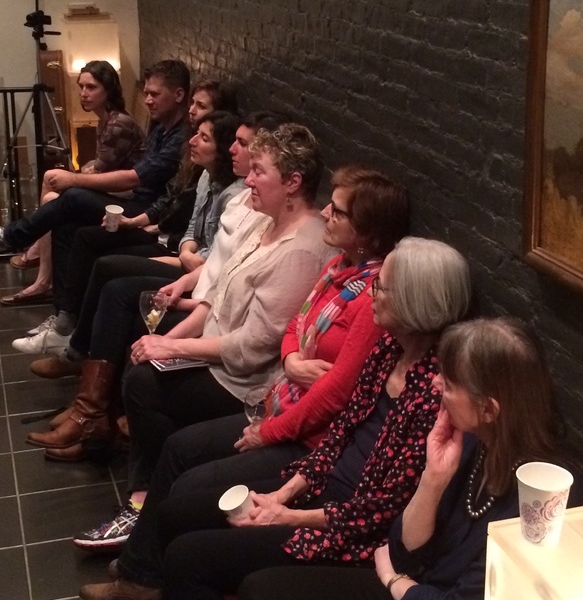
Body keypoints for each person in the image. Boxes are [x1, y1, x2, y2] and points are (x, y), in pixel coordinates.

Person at [78, 236, 472, 600]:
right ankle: (160, 591)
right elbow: (340, 433)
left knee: (188, 558)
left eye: (382, 287)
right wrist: (284, 494)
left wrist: (287, 515)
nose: (372, 292)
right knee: (175, 512)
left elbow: (382, 509)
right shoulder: (389, 348)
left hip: (348, 531)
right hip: (320, 489)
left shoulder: (435, 391)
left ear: (414, 301)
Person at [70, 164, 410, 548]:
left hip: (296, 423)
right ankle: (136, 513)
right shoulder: (337, 267)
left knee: (177, 452)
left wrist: (268, 430)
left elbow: (332, 392)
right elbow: (295, 326)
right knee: (154, 400)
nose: (326, 213)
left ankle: (143, 551)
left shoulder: (366, 296)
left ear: (367, 232)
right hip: (282, 393)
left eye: (338, 211)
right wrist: (292, 361)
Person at [222, 317, 583, 600]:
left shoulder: (547, 496)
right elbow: (403, 550)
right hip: (418, 591)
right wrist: (432, 479)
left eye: (449, 382)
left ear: (488, 409)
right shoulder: (470, 443)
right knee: (261, 593)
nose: (434, 385)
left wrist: (394, 580)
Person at [27, 124, 331, 470]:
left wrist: (173, 348)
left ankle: (140, 478)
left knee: (141, 379)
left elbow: (253, 347)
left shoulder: (300, 251)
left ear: (293, 182)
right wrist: (167, 341)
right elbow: (217, 293)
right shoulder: (267, 221)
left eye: (259, 171)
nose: (249, 180)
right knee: (138, 348)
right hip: (220, 348)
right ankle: (95, 422)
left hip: (243, 382)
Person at [24, 111, 283, 382]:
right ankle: (72, 337)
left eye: (204, 137)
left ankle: (82, 364)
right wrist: (183, 248)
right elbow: (192, 227)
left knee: (111, 273)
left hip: (197, 274)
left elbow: (218, 262)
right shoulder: (207, 177)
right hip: (187, 259)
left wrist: (180, 257)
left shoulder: (240, 195)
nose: (193, 140)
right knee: (89, 242)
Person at [0, 59, 190, 346]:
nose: (148, 100)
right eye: (146, 93)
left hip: (146, 213)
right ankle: (63, 321)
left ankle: (13, 237)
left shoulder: (180, 136)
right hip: (138, 203)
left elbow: (134, 178)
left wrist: (74, 179)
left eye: (155, 94)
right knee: (66, 227)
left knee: (72, 195)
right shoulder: (161, 127)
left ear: (178, 95)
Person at [1, 60, 146, 307]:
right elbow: (99, 165)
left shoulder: (118, 123)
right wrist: (86, 170)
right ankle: (41, 269)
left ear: (108, 89)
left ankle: (36, 261)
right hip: (114, 190)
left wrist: (81, 174)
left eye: (91, 87)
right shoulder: (105, 120)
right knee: (50, 180)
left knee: (52, 197)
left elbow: (105, 172)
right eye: (81, 87)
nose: (83, 93)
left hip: (127, 197)